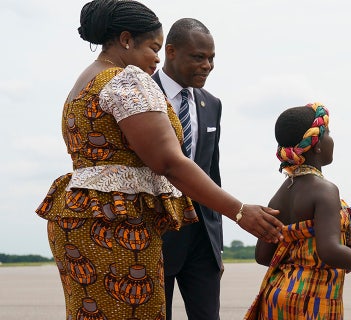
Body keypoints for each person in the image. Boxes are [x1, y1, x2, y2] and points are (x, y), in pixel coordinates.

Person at [34, 1, 283, 319]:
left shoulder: (83, 82)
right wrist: (239, 211)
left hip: (83, 218)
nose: (156, 58)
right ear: (126, 40)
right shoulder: (126, 81)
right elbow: (168, 162)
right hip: (117, 222)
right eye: (153, 47)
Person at [244, 103, 351, 320]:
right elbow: (330, 250)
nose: (332, 139)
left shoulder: (280, 194)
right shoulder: (325, 190)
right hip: (312, 301)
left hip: (277, 296)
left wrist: (310, 259)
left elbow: (262, 255)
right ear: (317, 146)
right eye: (328, 134)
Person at [150, 18, 224, 320]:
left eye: (211, 58)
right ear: (170, 51)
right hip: (156, 234)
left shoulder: (212, 104)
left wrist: (216, 245)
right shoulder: (141, 94)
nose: (207, 65)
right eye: (198, 57)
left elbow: (212, 173)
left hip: (201, 241)